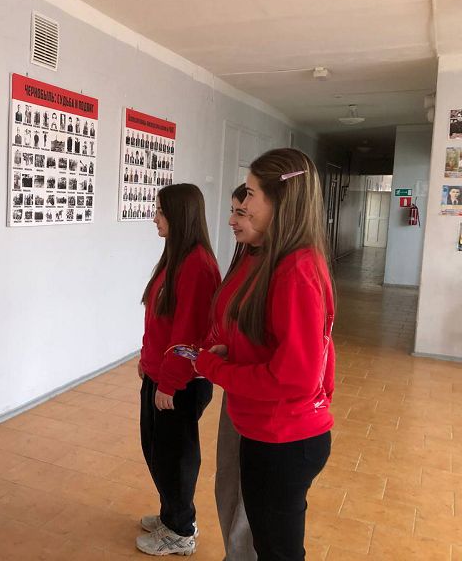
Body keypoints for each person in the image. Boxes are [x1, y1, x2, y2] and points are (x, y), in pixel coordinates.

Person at [194, 149, 335, 561]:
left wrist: (215, 367)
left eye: (252, 194)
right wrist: (232, 351)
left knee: (277, 550)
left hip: (284, 438)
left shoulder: (296, 270)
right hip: (267, 431)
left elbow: (295, 377)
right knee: (269, 542)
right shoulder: (274, 259)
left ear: (279, 201)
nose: (243, 205)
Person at [136, 183, 221, 557]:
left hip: (180, 382)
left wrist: (169, 382)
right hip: (160, 373)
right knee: (157, 450)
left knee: (175, 457)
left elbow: (187, 334)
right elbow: (159, 319)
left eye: (160, 211)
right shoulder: (176, 257)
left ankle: (181, 530)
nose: (155, 218)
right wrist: (147, 360)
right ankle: (171, 514)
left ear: (180, 215)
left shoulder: (197, 265)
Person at [210, 184, 262, 561]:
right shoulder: (247, 257)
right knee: (228, 481)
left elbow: (296, 370)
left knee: (248, 494)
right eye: (234, 210)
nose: (232, 220)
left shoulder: (286, 269)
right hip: (237, 386)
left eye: (242, 211)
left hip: (258, 399)